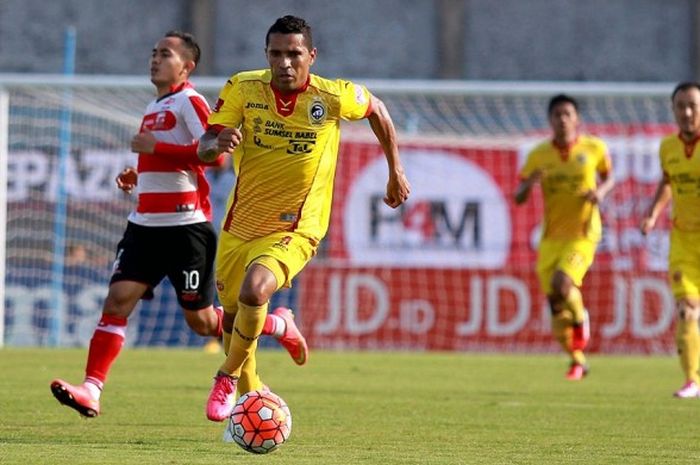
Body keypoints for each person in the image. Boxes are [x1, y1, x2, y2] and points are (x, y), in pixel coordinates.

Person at [50, 30, 307, 418]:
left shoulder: (190, 101)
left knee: (203, 323)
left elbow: (215, 155)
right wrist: (140, 174)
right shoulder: (155, 106)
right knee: (117, 301)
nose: (155, 59)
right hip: (144, 225)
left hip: (186, 227)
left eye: (165, 54)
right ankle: (91, 389)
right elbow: (170, 162)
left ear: (187, 66)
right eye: (153, 52)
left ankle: (276, 324)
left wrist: (157, 150)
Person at [197, 15, 411, 422]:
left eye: (294, 54)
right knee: (230, 319)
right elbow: (207, 147)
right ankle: (265, 362)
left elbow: (377, 110)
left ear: (311, 56)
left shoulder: (331, 96)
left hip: (296, 226)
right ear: (266, 55)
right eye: (276, 54)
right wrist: (216, 143)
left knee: (254, 292)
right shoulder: (244, 87)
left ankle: (226, 377)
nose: (285, 63)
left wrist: (395, 170)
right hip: (240, 223)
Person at [514, 94, 614, 381]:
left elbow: (610, 177)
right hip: (551, 237)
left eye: (567, 114)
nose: (562, 119)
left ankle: (581, 320)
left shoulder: (594, 148)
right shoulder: (538, 155)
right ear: (550, 120)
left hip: (582, 233)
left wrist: (600, 193)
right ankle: (577, 360)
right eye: (557, 114)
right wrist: (529, 185)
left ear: (577, 119)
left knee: (562, 282)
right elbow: (518, 198)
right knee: (555, 304)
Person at [640, 81, 700, 398]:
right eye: (681, 106)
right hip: (684, 242)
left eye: (693, 105)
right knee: (686, 309)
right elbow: (667, 182)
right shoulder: (668, 147)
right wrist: (652, 214)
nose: (687, 112)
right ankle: (692, 380)